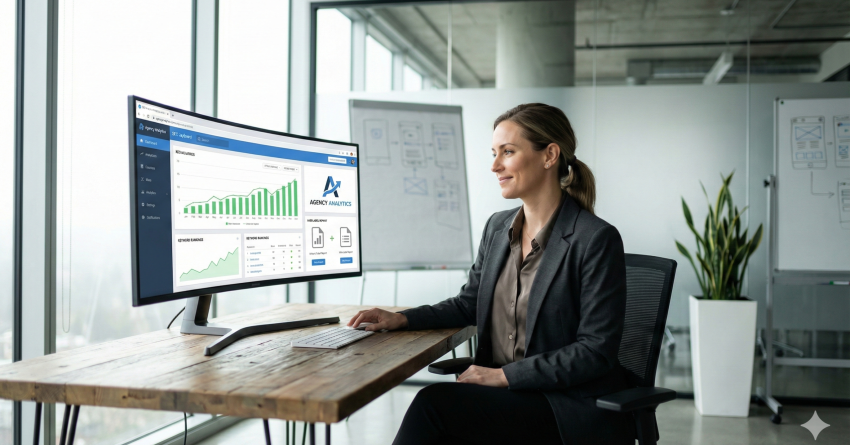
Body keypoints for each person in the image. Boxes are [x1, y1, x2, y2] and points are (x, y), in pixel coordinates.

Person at [348, 103, 634, 445]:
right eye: (494, 153)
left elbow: (595, 352)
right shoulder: (498, 228)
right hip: (506, 397)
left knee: (433, 407)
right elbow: (468, 304)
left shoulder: (595, 239)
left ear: (549, 155)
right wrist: (403, 319)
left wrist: (505, 376)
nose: (495, 165)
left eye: (508, 152)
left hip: (561, 404)